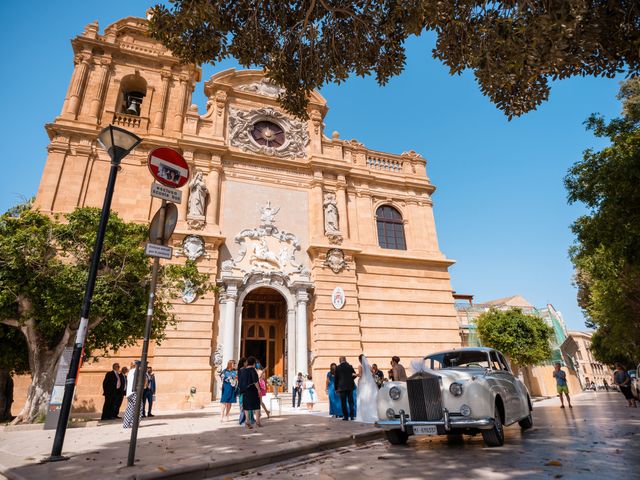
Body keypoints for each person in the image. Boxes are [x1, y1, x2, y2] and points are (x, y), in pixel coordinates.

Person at [238, 356, 261, 429]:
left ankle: (247, 421)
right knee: (256, 405)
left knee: (246, 406)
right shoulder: (252, 370)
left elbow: (240, 381)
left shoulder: (242, 370)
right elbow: (255, 381)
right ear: (254, 363)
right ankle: (257, 422)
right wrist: (259, 389)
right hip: (252, 390)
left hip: (245, 390)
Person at [355, 354, 379, 423]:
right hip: (369, 384)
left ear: (360, 360)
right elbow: (374, 373)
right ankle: (372, 413)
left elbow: (360, 375)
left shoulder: (360, 366)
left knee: (362, 399)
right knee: (370, 398)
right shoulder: (368, 366)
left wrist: (353, 374)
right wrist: (371, 378)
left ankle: (363, 415)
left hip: (363, 384)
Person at [334, 356, 356, 421]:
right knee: (351, 402)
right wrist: (351, 379)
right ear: (345, 360)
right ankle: (352, 416)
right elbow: (354, 374)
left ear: (340, 360)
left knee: (343, 402)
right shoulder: (350, 366)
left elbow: (336, 379)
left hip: (341, 387)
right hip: (350, 386)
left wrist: (336, 388)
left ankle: (346, 416)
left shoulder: (338, 368)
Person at [123, 361, 143, 428]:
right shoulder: (137, 371)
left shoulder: (130, 371)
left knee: (130, 408)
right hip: (135, 392)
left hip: (129, 393)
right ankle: (133, 424)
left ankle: (126, 424)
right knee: (139, 407)